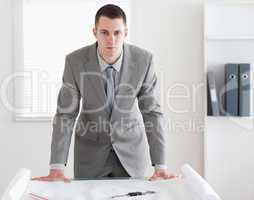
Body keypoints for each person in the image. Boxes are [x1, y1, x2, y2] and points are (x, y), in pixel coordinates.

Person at [33, 4, 177, 182]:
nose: (112, 39)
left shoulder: (144, 60)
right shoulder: (74, 61)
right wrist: (56, 166)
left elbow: (152, 113)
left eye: (117, 33)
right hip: (90, 158)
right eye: (105, 33)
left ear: (125, 32)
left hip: (131, 157)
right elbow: (65, 115)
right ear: (95, 32)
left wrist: (160, 165)